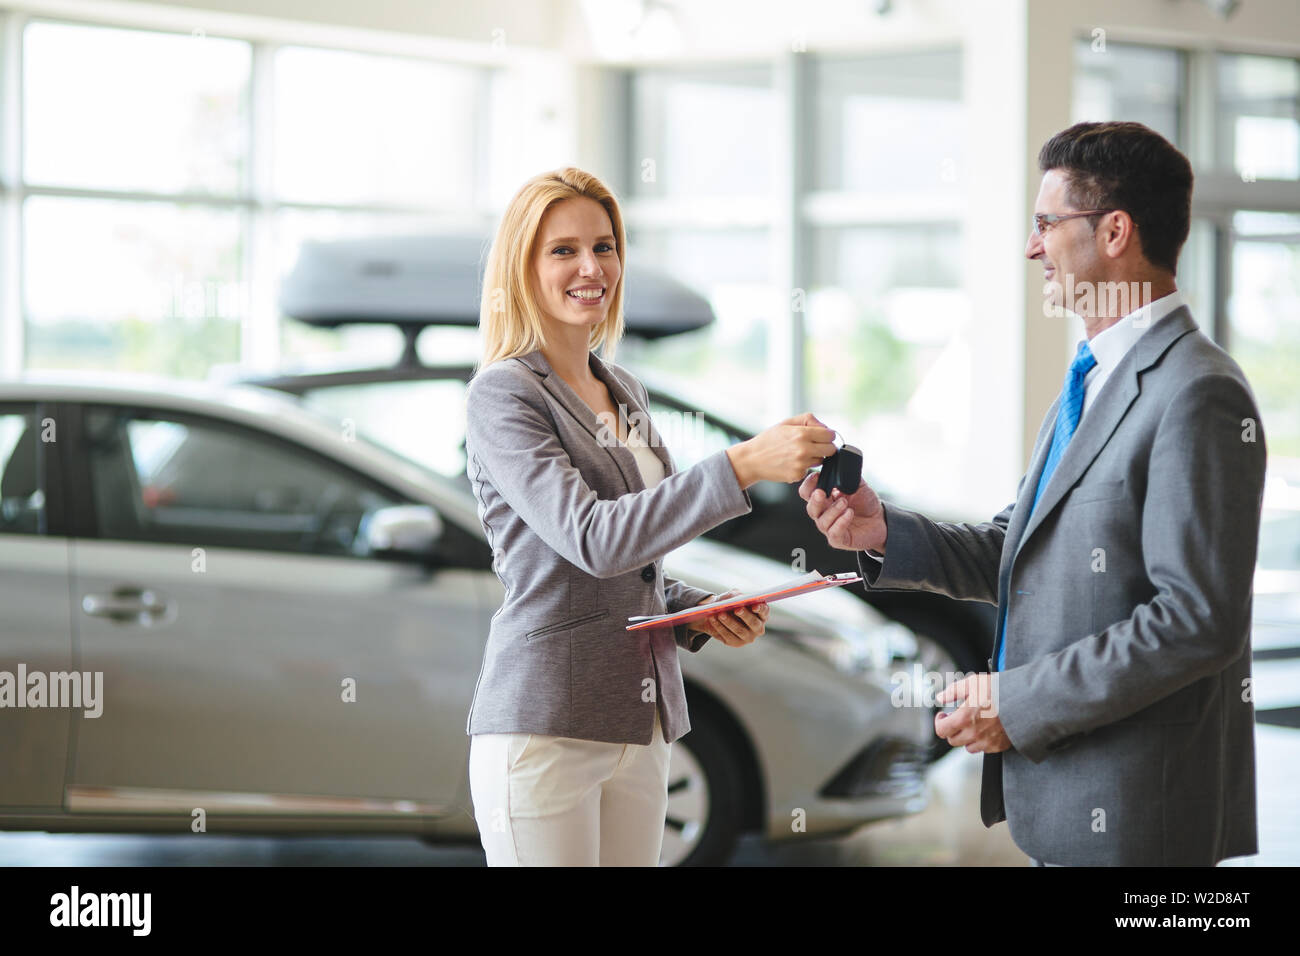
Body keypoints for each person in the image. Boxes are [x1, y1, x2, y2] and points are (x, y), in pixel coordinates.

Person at [801, 121, 1266, 866]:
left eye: (1046, 223)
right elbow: (1019, 548)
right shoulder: (1091, 378)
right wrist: (881, 530)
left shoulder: (1198, 392)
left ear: (1115, 231)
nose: (1031, 247)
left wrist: (1015, 704)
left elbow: (1196, 621)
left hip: (1137, 815)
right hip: (1070, 801)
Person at [464, 166, 836, 866]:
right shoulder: (504, 395)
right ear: (522, 266)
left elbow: (626, 570)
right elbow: (591, 541)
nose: (591, 267)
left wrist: (689, 609)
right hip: (546, 728)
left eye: (604, 247)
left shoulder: (620, 386)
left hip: (641, 724)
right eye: (563, 250)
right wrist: (743, 464)